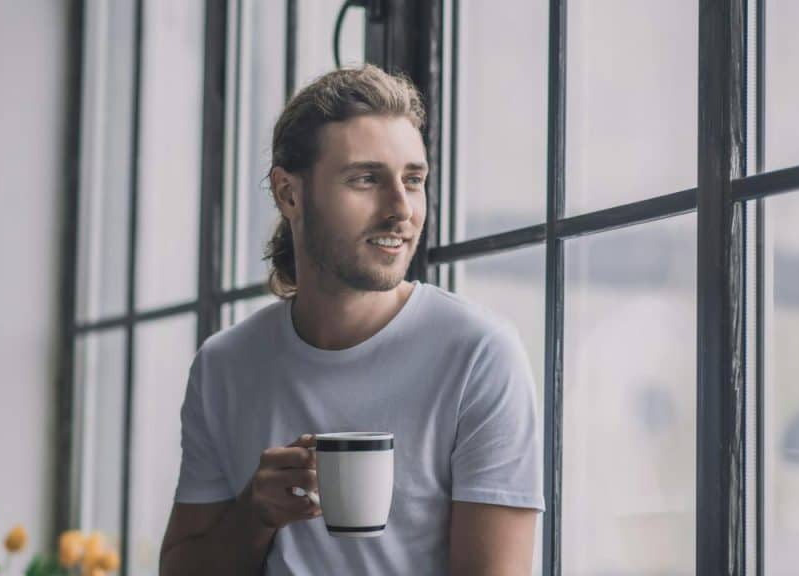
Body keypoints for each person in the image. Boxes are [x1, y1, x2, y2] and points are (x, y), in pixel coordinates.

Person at [159, 64, 543, 575]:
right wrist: (254, 514)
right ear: (289, 194)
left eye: (413, 180)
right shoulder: (223, 366)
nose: (401, 210)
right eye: (366, 179)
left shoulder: (479, 354)